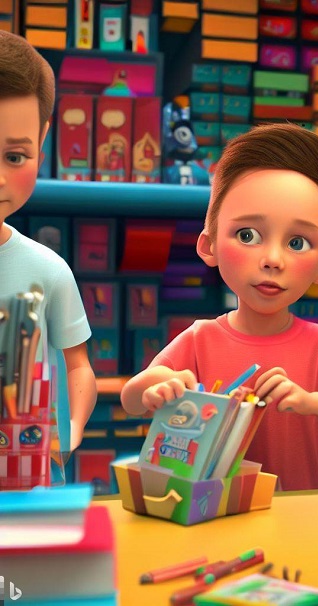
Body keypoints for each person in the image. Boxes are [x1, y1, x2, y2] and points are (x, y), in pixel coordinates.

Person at [121, 123, 318, 490]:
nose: (273, 259)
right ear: (209, 245)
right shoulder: (201, 338)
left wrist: (310, 401)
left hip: (298, 518)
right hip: (211, 514)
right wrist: (160, 385)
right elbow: (132, 398)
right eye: (248, 236)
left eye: (297, 242)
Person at [0, 31, 96, 450]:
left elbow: (78, 368)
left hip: (28, 475)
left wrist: (70, 432)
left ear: (41, 142)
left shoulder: (49, 271)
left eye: (14, 156)